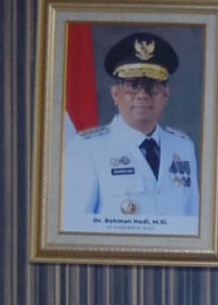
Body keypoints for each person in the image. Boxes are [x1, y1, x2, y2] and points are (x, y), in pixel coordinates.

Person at [61, 31, 200, 231]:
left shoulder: (183, 147)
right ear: (115, 94)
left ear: (165, 95)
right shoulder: (86, 148)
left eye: (152, 86)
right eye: (132, 86)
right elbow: (74, 227)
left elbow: (194, 223)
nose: (142, 95)